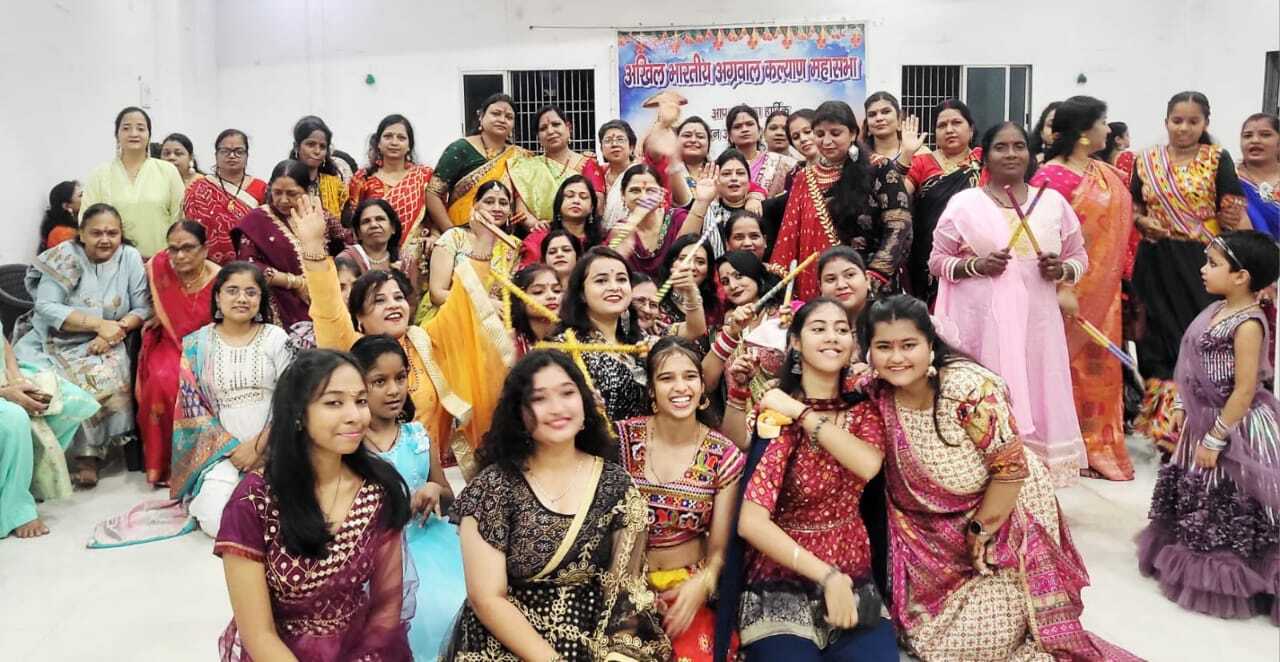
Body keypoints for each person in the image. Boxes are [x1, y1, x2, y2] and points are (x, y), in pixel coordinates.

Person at [861, 294, 1140, 661]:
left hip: (1001, 524)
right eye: (884, 347)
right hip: (926, 543)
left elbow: (1010, 471)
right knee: (928, 641)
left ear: (931, 344)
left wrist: (981, 531)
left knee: (979, 646)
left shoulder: (970, 389)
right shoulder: (874, 391)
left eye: (908, 345)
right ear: (870, 352)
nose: (896, 358)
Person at [445, 350, 672, 660]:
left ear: (584, 402)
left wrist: (616, 653)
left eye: (567, 393)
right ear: (519, 413)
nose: (557, 408)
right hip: (503, 647)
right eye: (539, 398)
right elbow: (487, 598)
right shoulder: (493, 488)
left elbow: (625, 593)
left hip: (594, 645)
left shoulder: (616, 484)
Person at [724, 297, 898, 661]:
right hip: (780, 576)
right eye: (819, 329)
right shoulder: (777, 415)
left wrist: (802, 413)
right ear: (796, 343)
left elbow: (867, 464)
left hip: (852, 571)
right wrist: (826, 576)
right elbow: (751, 522)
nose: (832, 337)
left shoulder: (862, 412)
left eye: (842, 329)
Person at [215, 349, 414, 661]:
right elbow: (258, 634)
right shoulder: (253, 502)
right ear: (298, 413)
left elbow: (386, 609)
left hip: (364, 651)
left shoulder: (379, 489)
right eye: (334, 403)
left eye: (361, 401)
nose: (355, 415)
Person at [297, 194, 512, 478]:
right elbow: (328, 309)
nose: (393, 305)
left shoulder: (425, 341)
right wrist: (313, 249)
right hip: (366, 479)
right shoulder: (349, 350)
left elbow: (463, 301)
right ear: (359, 318)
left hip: (431, 478)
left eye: (398, 297)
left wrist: (483, 241)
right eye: (379, 300)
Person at [930, 121, 1088, 486]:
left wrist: (1061, 269)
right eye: (1001, 147)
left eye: (1019, 146)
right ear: (985, 155)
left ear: (1031, 154)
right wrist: (976, 265)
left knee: (1037, 389)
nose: (1011, 153)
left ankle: (1034, 486)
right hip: (982, 328)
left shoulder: (1052, 202)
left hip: (1037, 326)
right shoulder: (965, 204)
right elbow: (936, 261)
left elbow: (1079, 256)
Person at [1138, 230, 1280, 623]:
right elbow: (1191, 364)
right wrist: (1182, 403)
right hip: (1202, 420)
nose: (1203, 270)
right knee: (1198, 495)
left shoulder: (1248, 324)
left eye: (1213, 264)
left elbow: (1245, 389)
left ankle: (1233, 574)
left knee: (1229, 499)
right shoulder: (1215, 310)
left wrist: (1217, 437)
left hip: (1234, 426)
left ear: (1242, 277)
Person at [1131, 91, 1248, 453]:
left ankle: (1201, 423)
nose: (1183, 128)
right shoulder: (1146, 160)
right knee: (1154, 340)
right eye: (1177, 121)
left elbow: (1231, 212)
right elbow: (1134, 206)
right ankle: (1165, 429)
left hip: (1201, 263)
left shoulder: (1216, 159)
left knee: (1197, 337)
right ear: (1166, 122)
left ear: (1205, 124)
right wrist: (1142, 222)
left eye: (1193, 121)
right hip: (1155, 260)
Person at [616, 337, 746, 661]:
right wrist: (629, 592)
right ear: (651, 390)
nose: (680, 387)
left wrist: (702, 584)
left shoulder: (723, 455)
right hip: (622, 588)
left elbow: (719, 552)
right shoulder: (620, 440)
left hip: (686, 590)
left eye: (689, 377)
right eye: (666, 378)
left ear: (702, 387)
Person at [1030, 96, 1136, 481]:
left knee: (1100, 369)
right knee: (1065, 368)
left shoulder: (1105, 173)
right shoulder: (1049, 178)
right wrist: (1062, 286)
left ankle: (1098, 445)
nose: (1108, 129)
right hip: (1062, 294)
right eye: (1102, 122)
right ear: (1084, 132)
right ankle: (1067, 447)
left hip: (1104, 296)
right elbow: (1041, 239)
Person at [14, 203, 151, 487]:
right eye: (96, 233)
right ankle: (43, 454)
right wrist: (97, 324)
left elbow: (143, 306)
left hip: (108, 339)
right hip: (52, 337)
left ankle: (89, 454)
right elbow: (46, 306)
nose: (105, 239)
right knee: (38, 382)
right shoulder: (65, 255)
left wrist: (115, 331)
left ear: (121, 234)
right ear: (82, 234)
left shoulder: (129, 257)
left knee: (103, 375)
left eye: (112, 233)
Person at [351, 335, 467, 658]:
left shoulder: (417, 435)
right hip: (379, 559)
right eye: (380, 381)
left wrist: (435, 490)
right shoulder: (351, 447)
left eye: (400, 378)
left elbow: (449, 498)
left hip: (432, 545)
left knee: (458, 604)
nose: (394, 390)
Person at [169, 262, 295, 538]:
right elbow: (193, 409)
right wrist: (233, 449)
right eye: (232, 290)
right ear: (218, 297)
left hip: (277, 445)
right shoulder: (197, 344)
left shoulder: (275, 338)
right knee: (214, 520)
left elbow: (293, 398)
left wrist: (260, 445)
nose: (241, 298)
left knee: (290, 513)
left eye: (251, 292)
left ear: (261, 299)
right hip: (223, 453)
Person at [768, 100, 912, 300]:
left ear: (852, 134)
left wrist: (875, 274)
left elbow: (899, 225)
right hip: (824, 287)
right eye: (819, 134)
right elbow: (791, 237)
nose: (826, 141)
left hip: (873, 287)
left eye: (835, 133)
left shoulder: (879, 168)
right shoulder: (804, 178)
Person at [549, 247, 704, 422]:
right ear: (581, 293)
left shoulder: (641, 340)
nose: (614, 287)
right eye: (601, 281)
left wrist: (691, 291)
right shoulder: (565, 347)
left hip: (649, 437)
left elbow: (695, 329)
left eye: (621, 279)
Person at [136, 221, 220, 486]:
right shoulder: (159, 267)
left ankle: (200, 461)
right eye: (173, 249)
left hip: (208, 347)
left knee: (200, 382)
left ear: (205, 249)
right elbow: (140, 300)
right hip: (170, 343)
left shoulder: (220, 279)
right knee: (162, 380)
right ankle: (164, 466)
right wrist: (156, 313)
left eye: (188, 248)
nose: (180, 256)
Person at [0, 334, 99, 538]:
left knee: (67, 400)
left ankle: (24, 482)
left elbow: (4, 344)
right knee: (14, 418)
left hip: (6, 380)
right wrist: (6, 393)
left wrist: (17, 379)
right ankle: (16, 508)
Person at [233, 159, 346, 328]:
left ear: (307, 191)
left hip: (323, 299)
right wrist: (295, 282)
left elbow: (345, 251)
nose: (283, 200)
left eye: (292, 194)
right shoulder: (256, 221)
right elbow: (247, 266)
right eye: (277, 193)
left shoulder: (320, 217)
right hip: (277, 305)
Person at [903, 99, 984, 302]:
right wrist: (906, 154)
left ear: (971, 129)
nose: (949, 130)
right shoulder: (922, 162)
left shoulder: (984, 160)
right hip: (930, 254)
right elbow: (899, 196)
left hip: (978, 252)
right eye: (942, 125)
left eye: (956, 123)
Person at [81, 106, 184, 257]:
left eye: (141, 128)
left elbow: (180, 218)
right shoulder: (100, 174)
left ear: (149, 135)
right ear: (117, 135)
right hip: (111, 261)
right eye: (126, 128)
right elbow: (87, 220)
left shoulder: (168, 171)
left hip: (160, 261)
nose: (134, 133)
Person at [703, 251, 784, 439]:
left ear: (756, 274)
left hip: (783, 420)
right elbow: (705, 383)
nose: (733, 285)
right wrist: (730, 334)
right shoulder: (723, 330)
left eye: (739, 276)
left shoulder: (785, 315)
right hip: (740, 430)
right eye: (725, 281)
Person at [427, 93, 523, 231]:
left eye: (509, 117)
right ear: (481, 117)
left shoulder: (520, 157)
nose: (502, 120)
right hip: (461, 230)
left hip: (505, 234)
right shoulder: (461, 148)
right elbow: (433, 193)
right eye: (496, 114)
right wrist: (451, 233)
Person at [347, 114, 437, 261]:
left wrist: (434, 236)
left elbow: (436, 215)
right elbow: (355, 223)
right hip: (374, 254)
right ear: (378, 143)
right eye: (388, 136)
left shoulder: (424, 175)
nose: (394, 142)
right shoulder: (362, 179)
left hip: (417, 255)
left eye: (401, 138)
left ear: (409, 145)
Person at [425, 180, 520, 316]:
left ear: (510, 210)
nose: (497, 208)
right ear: (475, 204)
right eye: (489, 202)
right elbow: (437, 294)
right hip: (451, 315)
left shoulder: (514, 245)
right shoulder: (454, 237)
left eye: (503, 203)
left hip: (494, 320)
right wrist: (484, 304)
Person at [509, 105, 606, 227]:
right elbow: (521, 211)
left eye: (556, 124)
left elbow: (597, 207)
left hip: (579, 232)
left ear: (568, 128)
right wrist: (536, 224)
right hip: (540, 232)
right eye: (543, 128)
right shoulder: (527, 168)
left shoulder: (588, 165)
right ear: (538, 137)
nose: (550, 131)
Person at [183, 129, 269, 265]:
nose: (232, 156)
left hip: (251, 265)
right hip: (207, 266)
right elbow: (190, 230)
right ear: (216, 155)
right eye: (225, 151)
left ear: (247, 155)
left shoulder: (261, 188)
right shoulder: (199, 188)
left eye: (239, 151)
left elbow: (268, 229)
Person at [678, 149, 767, 259]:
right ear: (717, 181)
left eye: (740, 173)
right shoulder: (706, 211)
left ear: (749, 182)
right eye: (726, 174)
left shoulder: (763, 209)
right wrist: (702, 201)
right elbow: (681, 248)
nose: (734, 178)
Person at [519, 174, 605, 267]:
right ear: (559, 203)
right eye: (570, 196)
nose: (576, 201)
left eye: (583, 197)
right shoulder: (539, 237)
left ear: (592, 207)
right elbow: (528, 272)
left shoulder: (601, 241)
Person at [726, 104, 796, 197]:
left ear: (760, 131)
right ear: (730, 136)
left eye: (749, 124)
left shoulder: (784, 164)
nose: (744, 129)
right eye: (737, 126)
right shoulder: (720, 167)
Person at [289, 115, 350, 221]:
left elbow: (346, 225)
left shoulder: (336, 186)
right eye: (310, 144)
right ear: (296, 146)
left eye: (322, 146)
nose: (317, 151)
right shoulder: (284, 183)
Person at [1237, 113, 1280, 239]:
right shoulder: (1230, 179)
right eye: (1247, 136)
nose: (1255, 140)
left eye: (1265, 135)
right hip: (1244, 249)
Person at [338, 198, 405, 276]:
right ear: (358, 233)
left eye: (380, 219)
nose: (373, 225)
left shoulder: (404, 261)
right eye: (366, 221)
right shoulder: (347, 259)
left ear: (393, 228)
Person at [508, 263, 563, 357]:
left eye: (556, 290)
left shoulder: (576, 338)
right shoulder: (510, 341)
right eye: (538, 292)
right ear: (520, 300)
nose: (551, 296)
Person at [863, 91, 927, 168]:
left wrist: (907, 154)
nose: (879, 118)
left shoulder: (921, 153)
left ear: (899, 119)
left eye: (886, 112)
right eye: (872, 114)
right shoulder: (859, 156)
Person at [599, 119, 641, 229]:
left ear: (631, 147)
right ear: (601, 149)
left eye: (620, 139)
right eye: (608, 140)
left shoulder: (641, 175)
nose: (614, 144)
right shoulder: (598, 175)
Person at [39, 180, 81, 251]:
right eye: (80, 195)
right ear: (66, 206)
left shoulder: (78, 222)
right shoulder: (61, 233)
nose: (86, 197)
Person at [678, 115, 715, 192]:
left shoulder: (719, 172)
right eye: (687, 135)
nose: (693, 140)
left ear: (709, 143)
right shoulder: (668, 172)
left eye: (700, 137)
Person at [1029, 101, 1061, 166]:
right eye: (1051, 125)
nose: (1057, 130)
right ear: (1041, 132)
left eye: (1064, 125)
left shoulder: (1080, 164)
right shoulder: (1030, 162)